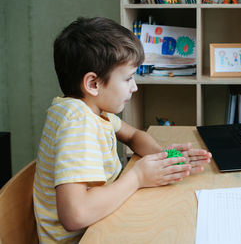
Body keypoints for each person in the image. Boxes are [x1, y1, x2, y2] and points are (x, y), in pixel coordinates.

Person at [32, 17, 212, 243]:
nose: (134, 87)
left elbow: (134, 136)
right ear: (93, 84)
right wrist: (138, 177)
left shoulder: (93, 110)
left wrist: (163, 157)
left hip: (101, 222)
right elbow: (75, 215)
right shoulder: (77, 122)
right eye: (128, 78)